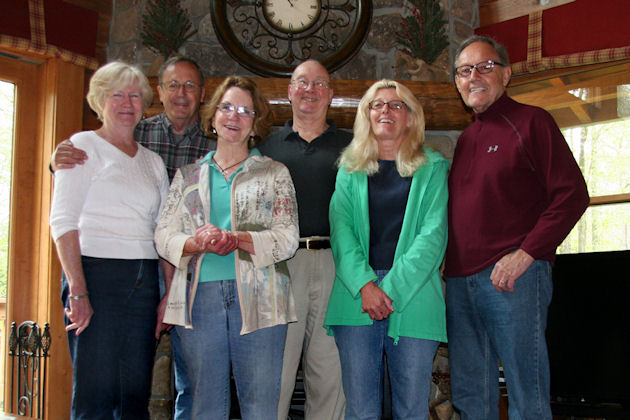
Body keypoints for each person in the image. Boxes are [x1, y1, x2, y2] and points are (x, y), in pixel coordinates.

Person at [51, 56, 215, 420]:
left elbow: (162, 231)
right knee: (95, 394)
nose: (126, 103)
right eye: (117, 95)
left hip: (144, 282)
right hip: (97, 277)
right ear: (100, 100)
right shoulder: (82, 146)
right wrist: (78, 291)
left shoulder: (150, 160)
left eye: (134, 96)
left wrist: (167, 295)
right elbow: (62, 222)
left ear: (144, 102)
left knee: (133, 394)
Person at [446, 35, 590, 419]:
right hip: (460, 285)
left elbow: (572, 195)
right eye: (464, 71)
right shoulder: (465, 140)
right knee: (471, 397)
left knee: (527, 395)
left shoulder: (532, 122)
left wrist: (525, 255)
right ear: (457, 82)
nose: (474, 77)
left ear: (506, 74)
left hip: (514, 279)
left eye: (485, 67)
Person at [154, 76, 299, 420]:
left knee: (261, 406)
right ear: (214, 117)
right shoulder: (188, 176)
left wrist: (237, 238)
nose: (234, 116)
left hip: (263, 298)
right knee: (204, 405)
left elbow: (288, 237)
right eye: (227, 107)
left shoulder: (274, 173)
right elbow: (163, 236)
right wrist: (196, 242)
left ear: (255, 123)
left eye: (245, 111)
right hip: (199, 300)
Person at [323, 79, 449, 419]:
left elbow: (433, 236)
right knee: (360, 410)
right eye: (376, 105)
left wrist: (389, 290)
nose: (385, 111)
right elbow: (341, 232)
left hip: (414, 295)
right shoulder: (349, 169)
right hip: (356, 296)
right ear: (367, 115)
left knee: (411, 410)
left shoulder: (433, 167)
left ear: (410, 116)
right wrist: (366, 285)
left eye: (396, 105)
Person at [257, 59, 350, 420]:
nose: (310, 90)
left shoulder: (352, 147)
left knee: (330, 375)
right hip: (282, 266)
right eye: (302, 82)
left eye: (319, 83)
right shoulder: (266, 148)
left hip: (335, 265)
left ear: (331, 94)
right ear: (290, 91)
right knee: (275, 374)